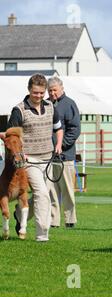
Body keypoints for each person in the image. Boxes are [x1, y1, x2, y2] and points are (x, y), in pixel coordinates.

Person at [8, 73, 63, 242]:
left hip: (48, 158)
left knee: (43, 195)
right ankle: (42, 235)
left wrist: (58, 144)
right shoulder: (19, 110)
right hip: (29, 160)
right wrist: (21, 153)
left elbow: (58, 128)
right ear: (29, 90)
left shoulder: (51, 107)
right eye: (35, 92)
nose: (38, 96)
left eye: (41, 93)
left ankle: (19, 213)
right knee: (42, 194)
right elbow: (12, 136)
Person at [47, 77, 81, 228]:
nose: (52, 93)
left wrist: (62, 145)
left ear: (61, 88)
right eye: (50, 90)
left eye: (54, 90)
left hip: (65, 156)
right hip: (48, 157)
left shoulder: (70, 104)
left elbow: (75, 130)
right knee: (51, 191)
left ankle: (70, 220)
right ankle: (54, 221)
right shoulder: (45, 104)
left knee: (67, 190)